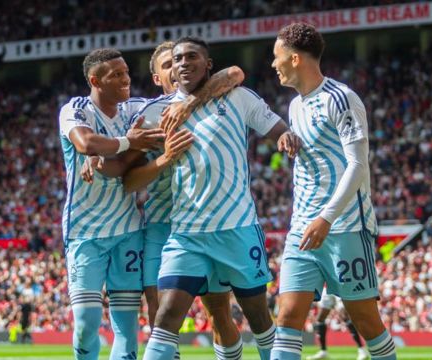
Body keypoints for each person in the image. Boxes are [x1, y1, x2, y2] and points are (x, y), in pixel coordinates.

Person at [81, 41, 246, 359]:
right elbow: (127, 175)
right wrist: (96, 157)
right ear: (157, 78)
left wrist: (190, 103)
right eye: (168, 65)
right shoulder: (148, 114)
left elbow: (236, 72)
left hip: (206, 222)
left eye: (180, 61)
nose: (177, 68)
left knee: (219, 314)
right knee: (161, 316)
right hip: (161, 224)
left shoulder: (213, 100)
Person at [139, 36, 301, 360]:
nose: (183, 63)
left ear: (208, 64)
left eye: (192, 57)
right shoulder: (157, 112)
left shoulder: (238, 97)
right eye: (178, 58)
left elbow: (276, 127)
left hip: (237, 228)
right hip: (187, 233)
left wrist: (285, 136)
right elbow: (127, 156)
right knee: (167, 315)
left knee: (258, 318)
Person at [269, 23, 396, 360]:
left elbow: (358, 165)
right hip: (302, 229)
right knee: (287, 316)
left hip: (344, 226)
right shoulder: (295, 106)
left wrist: (325, 218)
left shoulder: (341, 98)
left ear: (294, 59)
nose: (273, 64)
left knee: (365, 320)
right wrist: (289, 139)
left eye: (276, 57)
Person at [58, 47, 166, 360]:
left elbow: (175, 102)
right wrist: (130, 142)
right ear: (95, 80)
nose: (126, 79)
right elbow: (86, 142)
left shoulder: (136, 109)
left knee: (126, 325)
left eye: (126, 72)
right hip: (85, 232)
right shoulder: (76, 109)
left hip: (128, 231)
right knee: (87, 322)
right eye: (116, 75)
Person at [307, 291, 369, 360]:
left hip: (338, 286)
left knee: (344, 316)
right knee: (320, 318)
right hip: (326, 288)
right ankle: (323, 351)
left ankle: (362, 350)